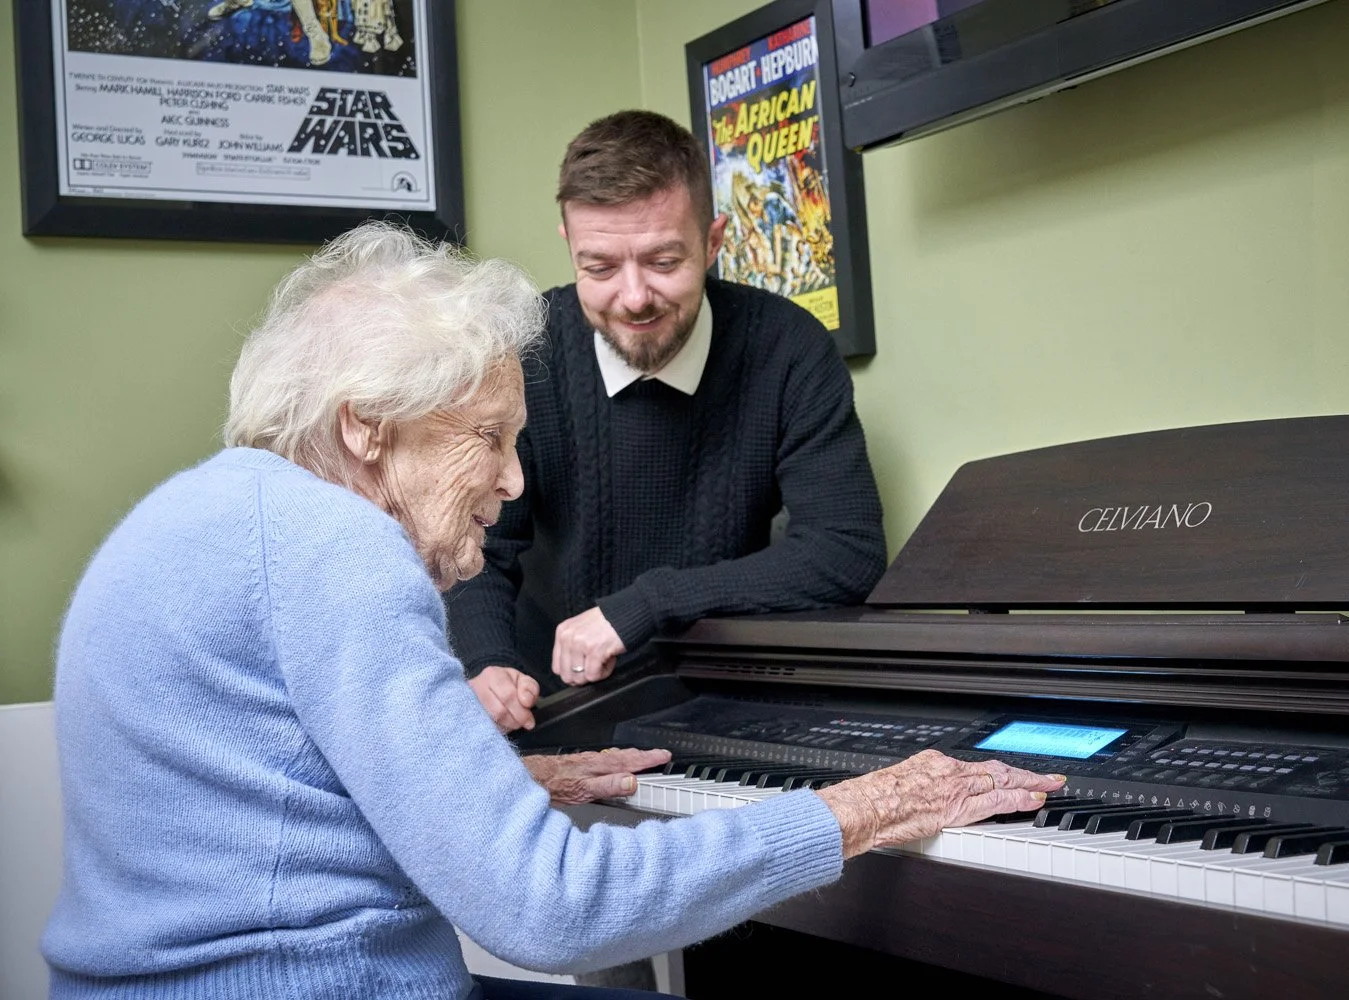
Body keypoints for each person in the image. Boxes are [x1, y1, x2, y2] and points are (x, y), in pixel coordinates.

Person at [41, 222, 1066, 1000]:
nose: (515, 479)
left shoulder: (198, 511)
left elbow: (267, 806)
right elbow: (550, 907)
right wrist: (855, 810)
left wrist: (489, 781)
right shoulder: (336, 547)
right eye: (487, 436)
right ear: (366, 429)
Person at [445, 110, 887, 734]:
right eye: (599, 268)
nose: (633, 297)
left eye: (663, 261)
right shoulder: (527, 352)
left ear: (713, 241)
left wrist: (647, 605)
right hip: (551, 711)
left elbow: (847, 553)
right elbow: (480, 550)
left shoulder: (788, 349)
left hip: (726, 707)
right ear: (569, 244)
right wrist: (486, 663)